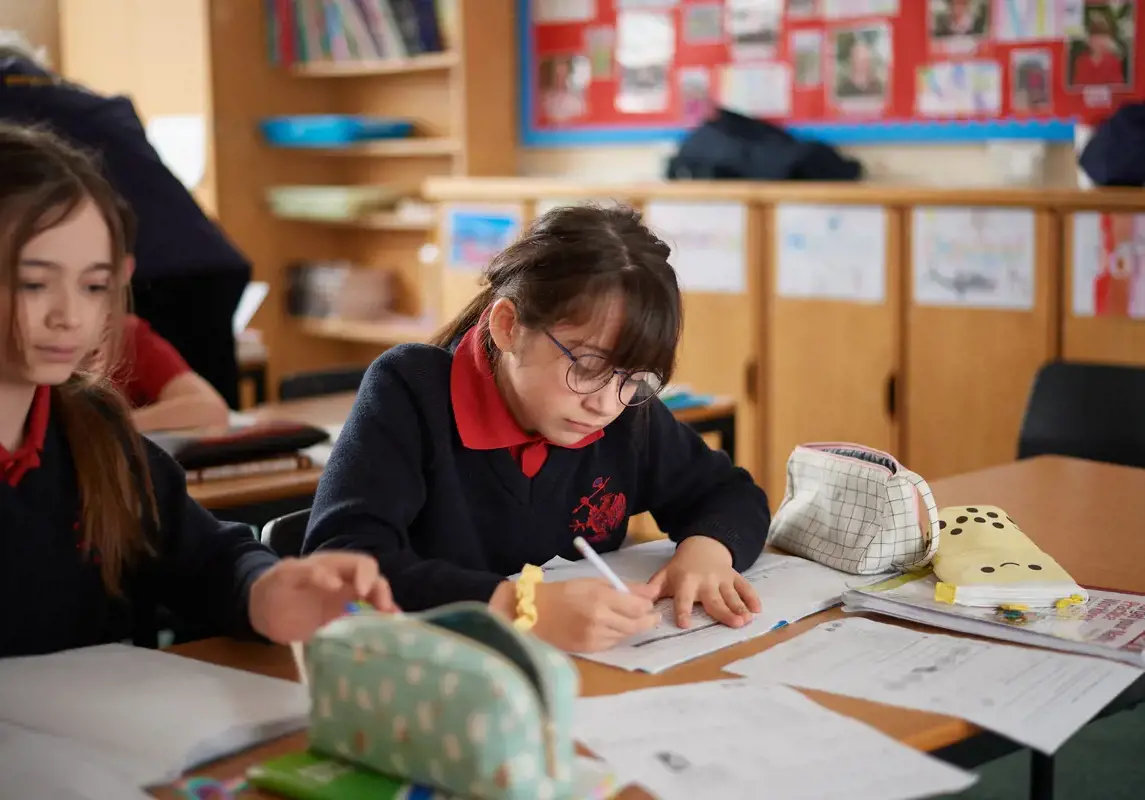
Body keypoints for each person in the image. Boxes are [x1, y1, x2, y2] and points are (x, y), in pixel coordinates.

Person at [0, 123, 397, 659]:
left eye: (94, 286)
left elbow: (206, 556)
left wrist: (266, 590)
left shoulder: (93, 428)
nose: (69, 316)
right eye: (33, 283)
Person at [303, 204, 772, 654]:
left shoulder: (626, 414)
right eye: (587, 366)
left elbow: (730, 493)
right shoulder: (411, 391)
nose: (605, 403)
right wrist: (518, 607)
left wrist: (708, 551)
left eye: (635, 380)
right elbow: (341, 566)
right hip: (439, 678)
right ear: (508, 327)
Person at [0, 33, 250, 408]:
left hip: (144, 262)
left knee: (106, 397)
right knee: (206, 433)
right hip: (204, 259)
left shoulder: (14, 103)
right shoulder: (81, 99)